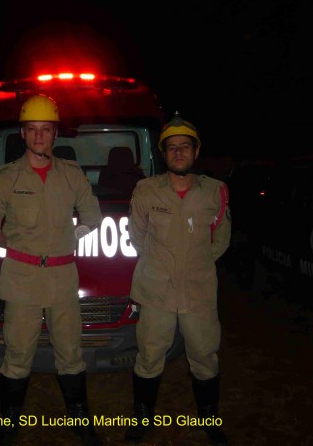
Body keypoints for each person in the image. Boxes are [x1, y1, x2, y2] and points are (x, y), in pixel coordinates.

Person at [0, 94, 104, 446]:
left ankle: (81, 421)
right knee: (17, 355)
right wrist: (18, 247)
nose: (38, 136)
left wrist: (73, 235)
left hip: (62, 279)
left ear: (55, 133)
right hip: (22, 279)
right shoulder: (5, 177)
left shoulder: (72, 175)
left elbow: (92, 217)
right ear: (22, 133)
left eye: (45, 129)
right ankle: (8, 426)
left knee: (71, 354)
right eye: (31, 129)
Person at [124, 113, 231, 446]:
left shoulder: (215, 191)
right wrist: (161, 266)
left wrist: (195, 265)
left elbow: (221, 239)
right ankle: (143, 419)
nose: (179, 152)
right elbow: (137, 236)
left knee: (205, 356)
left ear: (196, 151)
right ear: (163, 154)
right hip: (156, 292)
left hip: (198, 292)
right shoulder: (145, 191)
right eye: (172, 147)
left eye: (185, 146)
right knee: (149, 356)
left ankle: (209, 421)